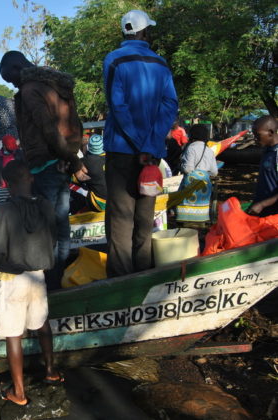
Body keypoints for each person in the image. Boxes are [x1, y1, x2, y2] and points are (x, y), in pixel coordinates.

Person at [0, 50, 87, 288]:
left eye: (10, 79)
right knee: (61, 225)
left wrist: (72, 160)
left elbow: (48, 129)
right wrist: (70, 155)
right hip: (61, 161)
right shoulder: (56, 86)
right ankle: (57, 279)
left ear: (17, 69)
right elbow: (74, 124)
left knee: (46, 229)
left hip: (46, 164)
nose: (13, 85)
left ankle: (49, 283)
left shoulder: (30, 90)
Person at [103, 10, 178, 277]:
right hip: (152, 154)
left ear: (125, 32)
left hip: (122, 152)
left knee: (121, 220)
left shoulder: (113, 60)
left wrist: (138, 142)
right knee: (144, 218)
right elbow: (170, 104)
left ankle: (120, 284)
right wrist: (151, 142)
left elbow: (117, 105)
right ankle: (144, 276)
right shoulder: (161, 64)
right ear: (145, 32)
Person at [0, 160, 63, 406]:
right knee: (42, 324)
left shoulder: (5, 211)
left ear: (7, 184)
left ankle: (18, 392)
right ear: (31, 178)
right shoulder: (47, 207)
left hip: (11, 278)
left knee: (12, 335)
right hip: (38, 276)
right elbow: (53, 242)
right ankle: (50, 371)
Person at [175, 124, 218, 223]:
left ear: (192, 135)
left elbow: (188, 169)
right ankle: (200, 221)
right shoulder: (209, 150)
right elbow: (214, 172)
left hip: (191, 183)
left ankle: (186, 221)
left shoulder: (191, 148)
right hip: (204, 185)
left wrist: (180, 166)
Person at [249, 116, 278, 216]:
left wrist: (262, 204)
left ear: (270, 132)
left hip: (274, 215)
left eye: (258, 135)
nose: (255, 138)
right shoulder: (267, 151)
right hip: (262, 211)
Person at [81, 134, 107, 212]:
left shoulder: (83, 162)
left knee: (72, 184)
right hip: (115, 202)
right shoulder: (112, 158)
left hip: (98, 203)